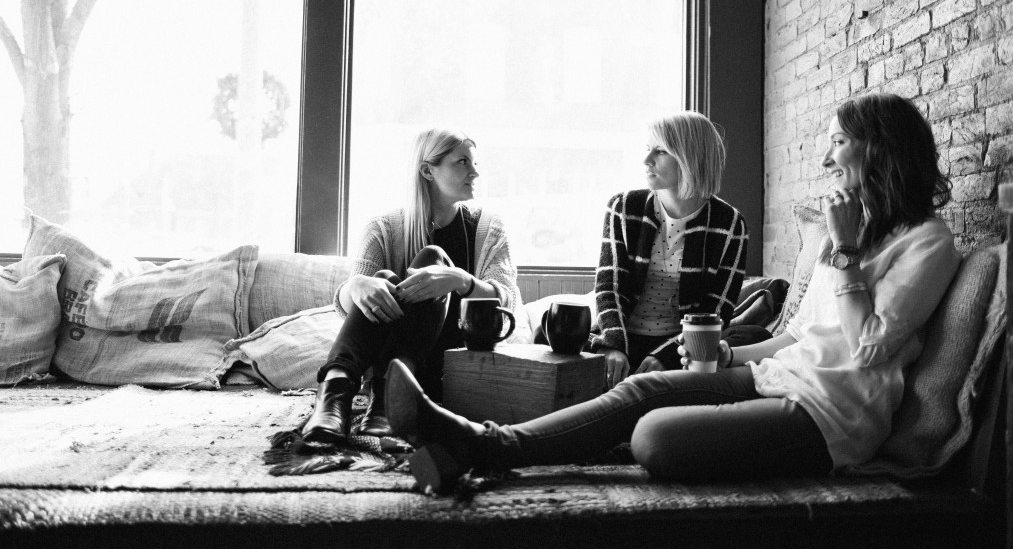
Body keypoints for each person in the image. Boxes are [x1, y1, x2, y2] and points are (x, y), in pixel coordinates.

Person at [384, 93, 962, 492]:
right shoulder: (851, 231)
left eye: (839, 142)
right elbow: (793, 336)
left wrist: (843, 252)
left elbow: (867, 348)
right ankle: (480, 443)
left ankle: (482, 446)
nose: (825, 156)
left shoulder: (928, 243)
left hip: (832, 414)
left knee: (655, 437)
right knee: (644, 389)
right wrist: (731, 356)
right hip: (779, 376)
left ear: (878, 150)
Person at [301, 128, 517, 444]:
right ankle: (339, 394)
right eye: (462, 162)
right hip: (386, 362)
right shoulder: (384, 229)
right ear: (428, 170)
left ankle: (374, 393)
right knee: (383, 280)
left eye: (473, 162)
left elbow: (506, 302)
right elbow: (351, 309)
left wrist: (459, 280)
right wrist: (358, 286)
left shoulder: (488, 228)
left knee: (434, 258)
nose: (475, 172)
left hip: (452, 362)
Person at [587, 112, 748, 388]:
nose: (646, 160)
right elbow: (608, 287)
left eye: (660, 151)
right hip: (622, 336)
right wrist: (614, 346)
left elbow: (717, 310)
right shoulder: (623, 207)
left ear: (689, 158)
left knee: (750, 334)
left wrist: (667, 356)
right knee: (549, 332)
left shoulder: (730, 224)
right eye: (647, 149)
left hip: (682, 347)